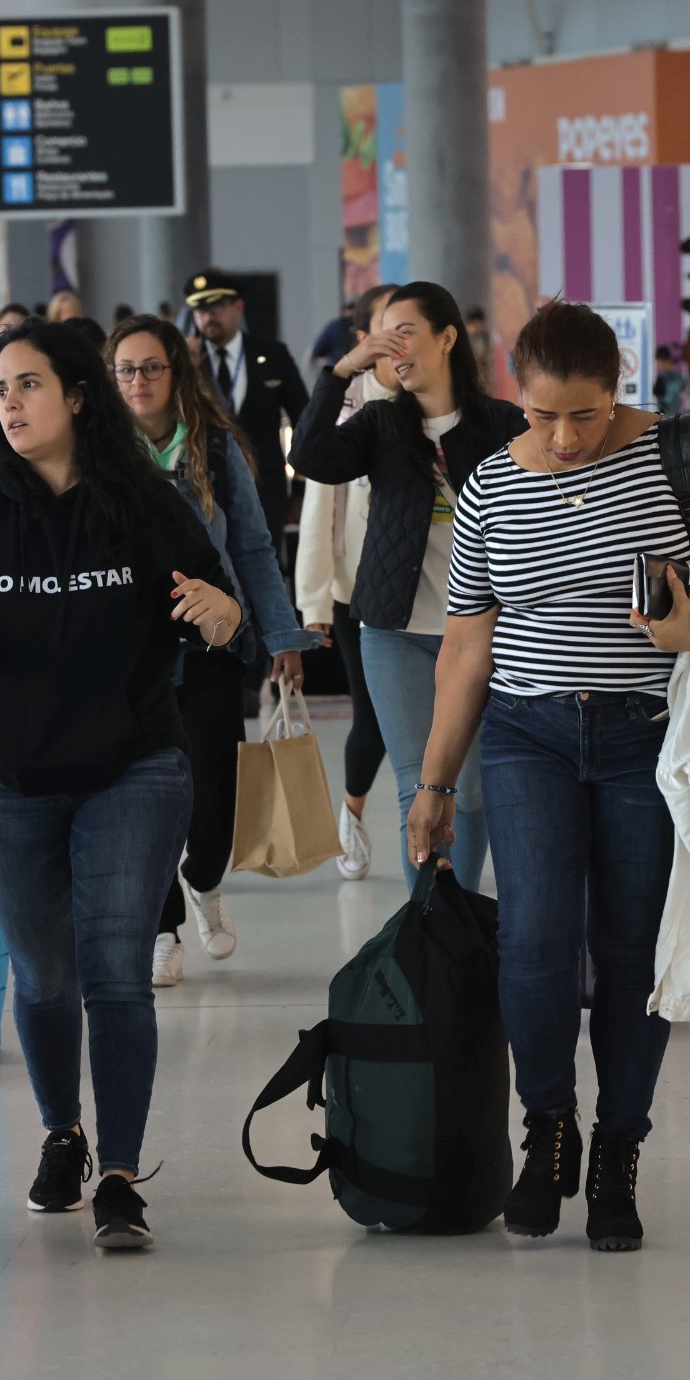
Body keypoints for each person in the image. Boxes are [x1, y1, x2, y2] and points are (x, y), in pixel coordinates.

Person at [409, 300, 690, 1249]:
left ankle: (618, 1147)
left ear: (617, 387)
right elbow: (466, 645)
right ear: (517, 393)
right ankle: (547, 1129)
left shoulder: (681, 455)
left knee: (633, 952)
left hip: (648, 736)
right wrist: (434, 783)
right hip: (527, 732)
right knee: (534, 939)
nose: (564, 436)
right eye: (542, 415)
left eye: (585, 414)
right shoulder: (491, 487)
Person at [0, 319, 242, 1251]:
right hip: (6, 775)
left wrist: (222, 613)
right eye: (2, 387)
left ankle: (119, 1172)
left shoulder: (144, 504)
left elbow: (218, 600)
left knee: (115, 972)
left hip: (134, 767)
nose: (12, 401)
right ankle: (61, 1133)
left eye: (30, 383)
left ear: (79, 396)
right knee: (44, 973)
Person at [289, 281, 525, 892]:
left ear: (447, 338)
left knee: (465, 787)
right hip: (393, 632)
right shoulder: (379, 422)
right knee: (415, 785)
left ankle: (460, 910)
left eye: (405, 332)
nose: (390, 346)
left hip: (479, 637)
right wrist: (342, 368)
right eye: (381, 335)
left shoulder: (502, 423)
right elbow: (313, 456)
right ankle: (429, 926)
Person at [107, 316, 313, 985]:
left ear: (177, 373)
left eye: (151, 367)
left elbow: (253, 548)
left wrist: (282, 636)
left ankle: (203, 881)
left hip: (214, 647)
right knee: (146, 799)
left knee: (213, 806)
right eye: (126, 370)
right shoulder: (102, 452)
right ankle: (162, 926)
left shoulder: (216, 450)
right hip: (132, 656)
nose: (139, 381)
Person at [293, 283, 398, 879]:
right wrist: (312, 603)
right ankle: (353, 811)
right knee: (375, 718)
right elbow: (319, 511)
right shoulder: (347, 406)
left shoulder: (435, 399)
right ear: (362, 339)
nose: (399, 338)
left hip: (443, 592)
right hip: (358, 593)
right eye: (389, 325)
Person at [184, 271, 310, 537]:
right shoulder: (187, 362)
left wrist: (300, 491)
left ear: (238, 307)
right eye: (199, 310)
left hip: (265, 489)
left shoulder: (272, 355)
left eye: (215, 307)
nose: (207, 317)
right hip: (206, 491)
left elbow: (305, 421)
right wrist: (188, 370)